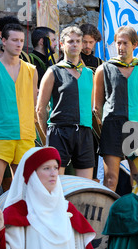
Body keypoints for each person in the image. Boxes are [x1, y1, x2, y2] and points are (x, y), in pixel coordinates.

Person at [0, 147, 97, 249]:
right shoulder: (19, 213)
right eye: (46, 168)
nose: (53, 173)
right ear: (32, 174)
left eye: (56, 167)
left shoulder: (68, 210)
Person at [94, 26, 138, 192]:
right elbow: (97, 107)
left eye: (125, 43)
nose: (121, 47)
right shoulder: (103, 69)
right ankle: (109, 216)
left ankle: (137, 215)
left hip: (136, 126)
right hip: (112, 126)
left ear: (135, 44)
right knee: (110, 179)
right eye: (118, 43)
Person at [36, 26, 95, 179]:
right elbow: (40, 110)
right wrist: (48, 135)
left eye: (77, 41)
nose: (74, 44)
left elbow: (92, 107)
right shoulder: (53, 71)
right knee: (56, 184)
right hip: (59, 131)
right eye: (70, 41)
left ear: (82, 44)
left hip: (84, 133)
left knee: (85, 185)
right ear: (62, 45)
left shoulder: (89, 73)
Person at [0, 23, 38, 198]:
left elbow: (33, 104)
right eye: (14, 40)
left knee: (25, 186)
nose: (19, 44)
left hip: (26, 135)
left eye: (21, 40)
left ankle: (20, 223)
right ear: (3, 40)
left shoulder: (31, 70)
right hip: (0, 133)